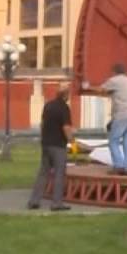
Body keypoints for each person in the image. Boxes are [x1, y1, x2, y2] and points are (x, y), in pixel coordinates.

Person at [27, 82, 74, 211]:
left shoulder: (48, 105)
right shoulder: (64, 108)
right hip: (58, 145)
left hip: (46, 144)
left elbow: (42, 124)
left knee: (43, 173)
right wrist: (72, 140)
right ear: (66, 96)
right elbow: (66, 127)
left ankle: (34, 201)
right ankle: (57, 203)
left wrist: (44, 138)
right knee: (59, 174)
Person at [99, 63, 127, 175]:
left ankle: (119, 166)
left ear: (114, 71)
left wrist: (87, 86)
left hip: (122, 114)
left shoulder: (114, 80)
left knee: (113, 140)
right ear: (125, 71)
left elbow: (101, 90)